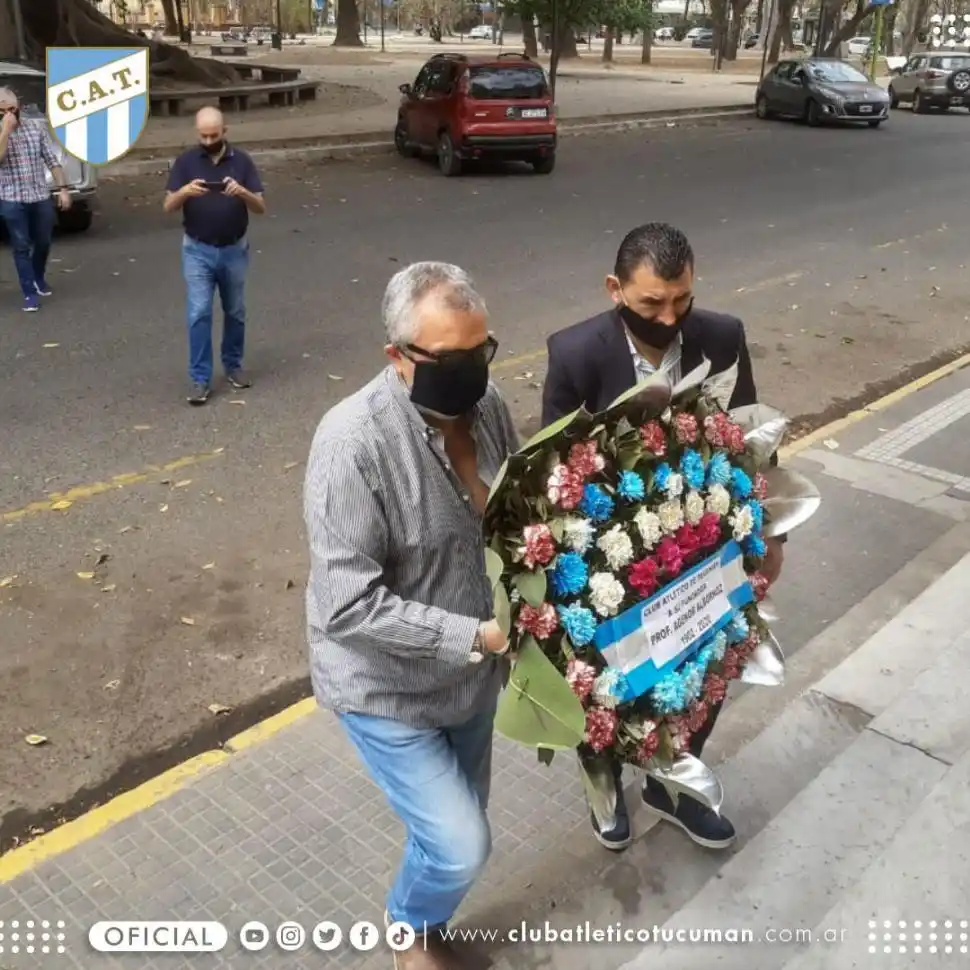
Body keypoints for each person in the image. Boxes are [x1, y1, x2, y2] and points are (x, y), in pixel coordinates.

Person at [541, 222, 785, 853]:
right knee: (606, 681)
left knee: (707, 665)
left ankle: (671, 785)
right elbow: (553, 469)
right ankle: (603, 774)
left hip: (703, 541)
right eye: (651, 304)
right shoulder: (575, 353)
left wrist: (772, 534)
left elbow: (751, 438)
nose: (669, 316)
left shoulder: (723, 337)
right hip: (609, 559)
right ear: (615, 289)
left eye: (681, 300)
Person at [304, 262, 518, 970]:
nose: (472, 375)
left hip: (472, 679)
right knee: (463, 842)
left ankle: (425, 922)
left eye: (480, 353)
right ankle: (407, 929)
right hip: (386, 686)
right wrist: (476, 635)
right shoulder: (350, 445)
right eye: (450, 360)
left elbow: (515, 514)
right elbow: (348, 604)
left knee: (459, 827)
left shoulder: (488, 410)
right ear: (397, 357)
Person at [164, 107, 266, 405]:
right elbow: (168, 205)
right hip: (197, 250)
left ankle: (233, 366)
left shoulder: (242, 161)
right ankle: (199, 379)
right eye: (203, 135)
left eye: (214, 135)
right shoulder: (186, 161)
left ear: (225, 131)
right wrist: (184, 192)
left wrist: (242, 193)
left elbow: (260, 206)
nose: (208, 140)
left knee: (234, 310)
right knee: (199, 313)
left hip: (235, 249)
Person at [0, 87, 72, 313]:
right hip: (11, 197)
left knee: (43, 241)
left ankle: (38, 276)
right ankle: (29, 292)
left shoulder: (36, 128)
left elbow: (52, 160)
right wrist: (5, 132)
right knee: (21, 245)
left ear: (19, 106)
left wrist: (63, 189)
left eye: (11, 109)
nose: (8, 115)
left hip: (39, 194)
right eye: (1, 111)